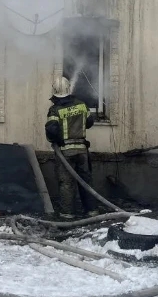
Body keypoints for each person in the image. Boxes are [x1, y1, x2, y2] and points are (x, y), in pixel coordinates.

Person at [45, 76, 97, 217]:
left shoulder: (55, 110)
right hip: (82, 150)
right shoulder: (82, 105)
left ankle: (67, 214)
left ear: (55, 91)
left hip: (65, 152)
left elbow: (51, 130)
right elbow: (90, 123)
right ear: (68, 89)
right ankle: (91, 210)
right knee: (85, 180)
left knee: (66, 183)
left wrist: (56, 140)